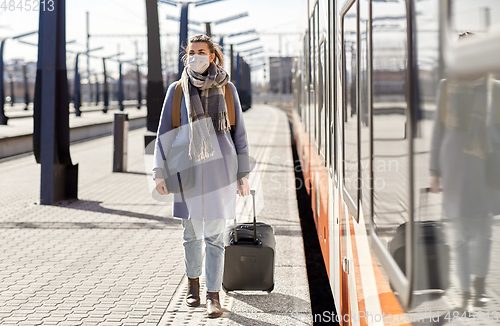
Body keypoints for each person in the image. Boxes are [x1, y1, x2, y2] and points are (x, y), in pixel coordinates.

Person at [152, 35, 251, 318]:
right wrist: (159, 172)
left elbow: (240, 135)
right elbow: (164, 135)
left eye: (201, 52)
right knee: (192, 235)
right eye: (191, 52)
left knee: (216, 237)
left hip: (222, 172)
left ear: (212, 56)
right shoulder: (177, 90)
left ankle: (213, 296)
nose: (195, 56)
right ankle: (193, 286)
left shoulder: (228, 89)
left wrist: (243, 175)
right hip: (188, 171)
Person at [429, 32, 497, 311]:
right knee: (458, 234)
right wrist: (434, 170)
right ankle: (465, 293)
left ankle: (479, 288)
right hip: (454, 168)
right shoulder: (447, 86)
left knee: (482, 232)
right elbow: (438, 129)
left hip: (486, 170)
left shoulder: (496, 88)